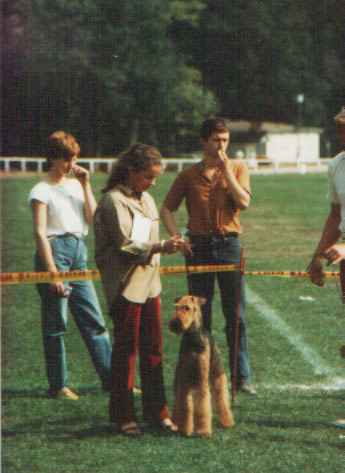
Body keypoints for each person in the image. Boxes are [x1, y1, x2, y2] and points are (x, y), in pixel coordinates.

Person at [160, 116, 256, 395]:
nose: (222, 145)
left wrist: (226, 173)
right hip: (198, 247)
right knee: (201, 317)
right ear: (204, 141)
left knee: (236, 316)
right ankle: (202, 372)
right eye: (216, 140)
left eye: (225, 140)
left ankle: (241, 376)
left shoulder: (237, 168)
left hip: (229, 245)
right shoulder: (188, 175)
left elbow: (244, 202)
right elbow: (167, 208)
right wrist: (177, 236)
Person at [94, 143, 183, 436]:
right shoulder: (112, 201)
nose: (153, 183)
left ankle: (158, 412)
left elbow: (146, 238)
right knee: (126, 352)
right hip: (125, 286)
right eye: (148, 176)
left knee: (154, 350)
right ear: (131, 172)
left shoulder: (146, 200)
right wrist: (161, 246)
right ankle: (123, 416)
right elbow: (125, 245)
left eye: (155, 177)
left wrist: (163, 247)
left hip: (150, 286)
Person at [29, 131, 112, 400]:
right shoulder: (41, 190)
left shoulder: (76, 185)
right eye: (67, 158)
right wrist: (53, 272)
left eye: (74, 157)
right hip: (54, 252)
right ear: (53, 158)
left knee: (94, 320)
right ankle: (59, 385)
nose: (72, 163)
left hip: (79, 251)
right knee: (57, 323)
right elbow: (40, 233)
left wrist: (86, 185)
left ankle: (113, 380)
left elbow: (94, 219)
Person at [308, 106, 345, 429]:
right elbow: (335, 215)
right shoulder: (336, 165)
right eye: (342, 129)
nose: (344, 135)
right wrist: (317, 256)